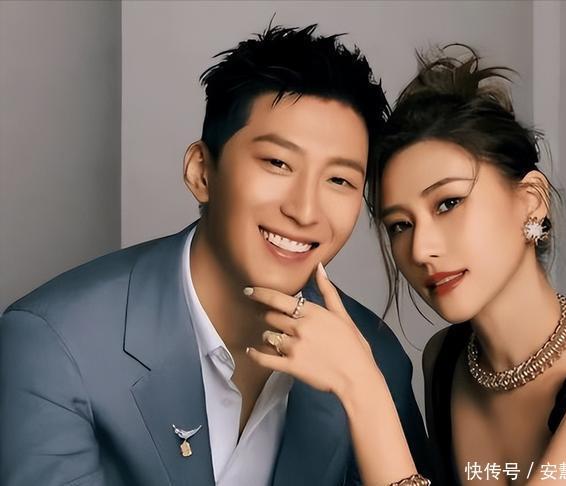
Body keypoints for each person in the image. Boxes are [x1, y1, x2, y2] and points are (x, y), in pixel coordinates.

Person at [0, 24, 436, 486]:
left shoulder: (374, 358)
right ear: (202, 172)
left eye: (340, 180)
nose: (305, 211)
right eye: (278, 163)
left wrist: (362, 390)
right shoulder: (53, 345)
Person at [245, 46, 566, 486]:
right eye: (400, 225)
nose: (420, 249)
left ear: (531, 201)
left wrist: (363, 389)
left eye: (448, 203)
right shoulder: (446, 362)